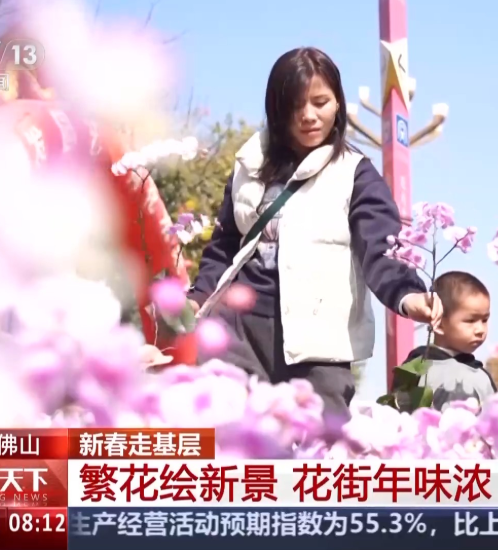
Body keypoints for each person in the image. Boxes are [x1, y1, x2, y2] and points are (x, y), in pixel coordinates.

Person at [188, 47, 441, 420]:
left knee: (320, 442)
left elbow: (382, 249)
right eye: (295, 106)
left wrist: (408, 294)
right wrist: (197, 298)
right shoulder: (248, 165)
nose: (308, 115)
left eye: (320, 102)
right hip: (238, 331)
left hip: (318, 342)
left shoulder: (356, 174)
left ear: (338, 102)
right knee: (230, 435)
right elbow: (225, 247)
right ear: (277, 109)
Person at [400, 271, 497, 411]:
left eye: (484, 320)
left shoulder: (480, 375)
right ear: (439, 324)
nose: (480, 329)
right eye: (470, 320)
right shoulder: (417, 372)